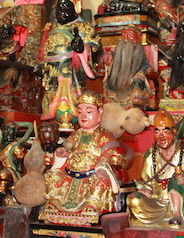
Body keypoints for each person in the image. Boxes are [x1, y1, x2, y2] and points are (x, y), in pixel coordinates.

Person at [41, 90, 125, 225]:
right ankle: (55, 203)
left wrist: (101, 166)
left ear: (100, 112)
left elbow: (108, 156)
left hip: (91, 175)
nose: (83, 116)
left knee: (99, 179)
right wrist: (60, 154)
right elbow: (65, 152)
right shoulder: (74, 136)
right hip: (70, 175)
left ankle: (92, 205)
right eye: (80, 112)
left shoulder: (105, 137)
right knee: (53, 176)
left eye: (89, 111)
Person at [127, 110, 184, 228]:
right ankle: (147, 222)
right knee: (133, 199)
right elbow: (146, 179)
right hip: (156, 200)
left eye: (165, 131)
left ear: (174, 132)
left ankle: (177, 215)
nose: (161, 136)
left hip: (180, 201)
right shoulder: (151, 154)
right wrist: (146, 189)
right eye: (157, 132)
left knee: (175, 180)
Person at [39, 0, 100, 128]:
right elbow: (44, 51)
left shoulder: (83, 27)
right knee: (51, 98)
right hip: (53, 72)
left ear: (75, 9)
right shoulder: (51, 28)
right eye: (58, 9)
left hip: (72, 72)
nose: (61, 12)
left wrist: (82, 48)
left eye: (66, 8)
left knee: (72, 100)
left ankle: (72, 120)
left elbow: (94, 46)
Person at [104, 26, 155, 108]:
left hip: (134, 78)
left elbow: (146, 65)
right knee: (111, 79)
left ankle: (136, 99)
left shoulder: (140, 52)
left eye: (130, 35)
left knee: (137, 80)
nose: (126, 38)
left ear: (140, 37)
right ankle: (111, 98)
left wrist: (143, 72)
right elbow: (111, 61)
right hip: (118, 81)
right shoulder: (118, 51)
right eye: (123, 35)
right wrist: (109, 58)